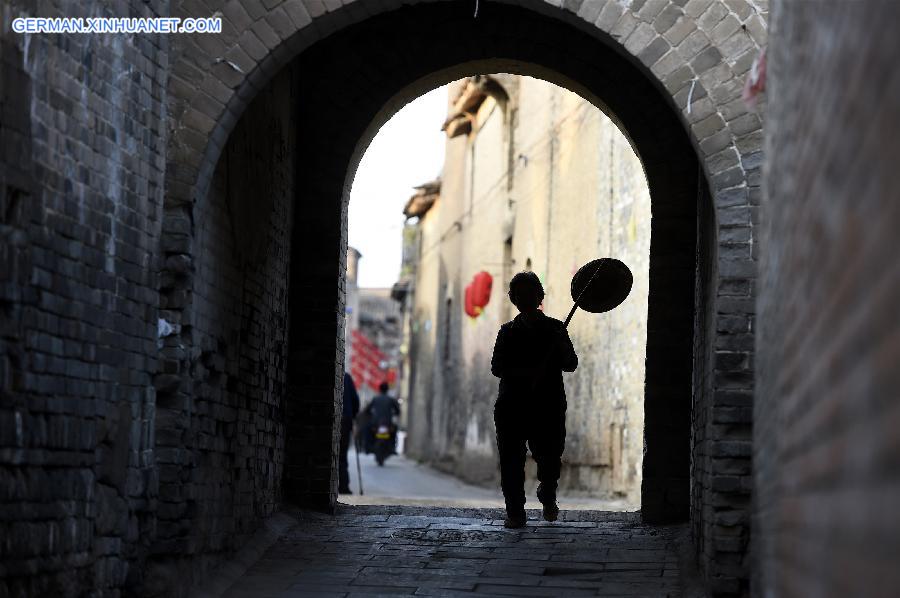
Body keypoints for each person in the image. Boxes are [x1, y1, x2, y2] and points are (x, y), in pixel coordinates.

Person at [490, 271, 578, 529]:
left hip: (547, 407)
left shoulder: (556, 329)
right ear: (513, 299)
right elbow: (497, 367)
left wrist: (559, 346)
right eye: (519, 294)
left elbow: (571, 364)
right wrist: (526, 372)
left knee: (550, 458)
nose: (525, 298)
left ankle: (547, 492)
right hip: (511, 407)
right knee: (511, 461)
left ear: (540, 296)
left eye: (530, 293)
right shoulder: (507, 332)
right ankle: (515, 512)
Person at [365, 382, 401, 457]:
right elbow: (398, 411)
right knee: (394, 431)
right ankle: (393, 447)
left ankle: (368, 447)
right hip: (388, 424)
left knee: (368, 430)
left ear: (380, 389)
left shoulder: (375, 399)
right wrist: (393, 414)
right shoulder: (391, 399)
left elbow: (367, 410)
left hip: (376, 423)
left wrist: (371, 414)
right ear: (387, 390)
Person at [338, 371, 360, 494]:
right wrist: (353, 416)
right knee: (342, 454)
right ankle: (343, 486)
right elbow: (355, 401)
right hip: (345, 420)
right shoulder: (347, 377)